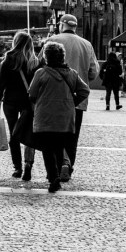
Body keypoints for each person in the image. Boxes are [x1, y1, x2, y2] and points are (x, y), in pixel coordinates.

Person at [28, 41, 90, 194]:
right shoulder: (72, 74)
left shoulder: (40, 73)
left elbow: (32, 94)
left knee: (47, 149)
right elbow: (84, 90)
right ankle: (59, 172)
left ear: (46, 57)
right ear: (63, 57)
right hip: (65, 118)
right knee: (59, 147)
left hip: (45, 117)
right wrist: (72, 103)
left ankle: (53, 177)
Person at [47, 14, 97, 182]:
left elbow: (40, 65)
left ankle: (56, 166)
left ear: (62, 25)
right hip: (77, 101)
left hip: (53, 99)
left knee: (53, 135)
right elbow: (93, 72)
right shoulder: (87, 44)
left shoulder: (53, 40)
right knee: (72, 136)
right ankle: (68, 166)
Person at [0, 31, 39, 180]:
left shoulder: (8, 60)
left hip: (10, 102)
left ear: (15, 42)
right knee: (29, 134)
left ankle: (17, 167)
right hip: (28, 103)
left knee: (14, 134)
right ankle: (28, 163)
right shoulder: (35, 62)